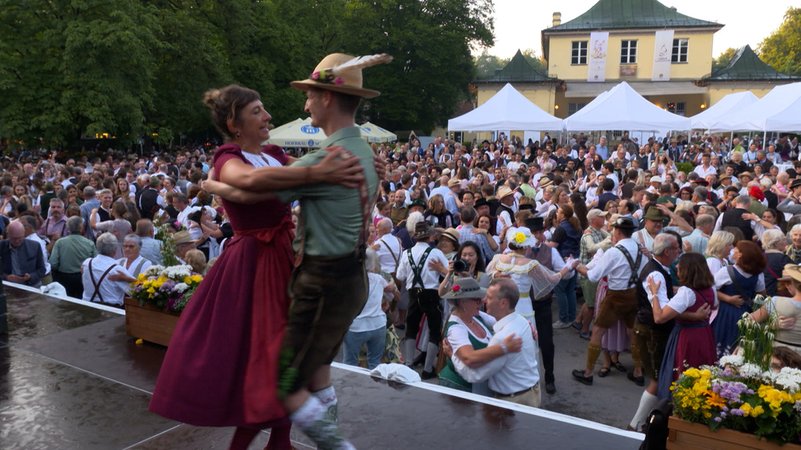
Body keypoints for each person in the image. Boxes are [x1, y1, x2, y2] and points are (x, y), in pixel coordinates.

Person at [150, 83, 364, 450]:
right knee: (267, 354)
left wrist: (223, 189)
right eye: (257, 112)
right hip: (253, 263)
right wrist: (228, 187)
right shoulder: (227, 156)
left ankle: (279, 439)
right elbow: (250, 180)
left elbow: (277, 184)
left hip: (282, 255)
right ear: (235, 123)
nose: (267, 117)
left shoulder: (274, 153)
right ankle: (264, 442)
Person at [275, 53, 386, 450]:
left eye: (309, 96)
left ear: (326, 98)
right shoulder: (362, 150)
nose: (305, 104)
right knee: (319, 370)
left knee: (284, 380)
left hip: (323, 285)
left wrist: (220, 177)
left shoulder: (328, 157)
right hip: (350, 281)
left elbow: (270, 192)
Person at [573, 217, 648, 386]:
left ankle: (587, 373)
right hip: (634, 294)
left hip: (615, 296)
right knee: (632, 333)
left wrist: (577, 266)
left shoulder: (614, 252)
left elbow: (593, 276)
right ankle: (637, 371)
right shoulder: (641, 249)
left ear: (618, 232)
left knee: (598, 331)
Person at [451, 278, 542, 407]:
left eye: (488, 297)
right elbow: (486, 318)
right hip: (531, 393)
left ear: (503, 303)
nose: (483, 301)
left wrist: (452, 354)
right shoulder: (521, 320)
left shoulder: (502, 338)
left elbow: (475, 376)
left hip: (514, 401)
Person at [648, 253, 717, 398]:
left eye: (681, 264)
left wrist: (654, 294)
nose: (677, 266)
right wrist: (695, 316)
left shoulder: (687, 293)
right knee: (700, 373)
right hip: (704, 334)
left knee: (681, 373)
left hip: (686, 337)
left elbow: (659, 317)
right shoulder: (711, 288)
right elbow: (714, 305)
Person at [437, 277, 522, 394]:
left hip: (479, 385)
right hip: (460, 388)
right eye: (476, 299)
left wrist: (526, 324)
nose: (482, 301)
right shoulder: (456, 329)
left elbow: (507, 319)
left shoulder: (477, 315)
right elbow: (469, 357)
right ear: (463, 302)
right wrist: (504, 347)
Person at [487, 226, 573, 327]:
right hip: (523, 304)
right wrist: (568, 266)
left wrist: (495, 274)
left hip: (503, 302)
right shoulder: (530, 264)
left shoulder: (500, 258)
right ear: (526, 247)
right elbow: (552, 279)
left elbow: (487, 273)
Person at [396, 221, 449, 378]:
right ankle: (427, 369)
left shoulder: (407, 253)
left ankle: (408, 363)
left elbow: (400, 276)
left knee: (411, 326)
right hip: (431, 294)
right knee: (434, 329)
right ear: (430, 236)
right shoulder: (436, 253)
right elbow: (448, 273)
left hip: (413, 293)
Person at [342, 249, 396, 370]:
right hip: (378, 325)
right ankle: (374, 387)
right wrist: (392, 283)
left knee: (349, 363)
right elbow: (390, 289)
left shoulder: (350, 279)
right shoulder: (378, 278)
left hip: (355, 327)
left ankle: (350, 387)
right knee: (375, 362)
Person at [712, 240, 767, 356]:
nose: (733, 250)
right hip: (747, 313)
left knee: (723, 340)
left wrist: (727, 299)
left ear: (740, 254)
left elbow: (712, 289)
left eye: (736, 249)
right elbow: (761, 295)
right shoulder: (758, 274)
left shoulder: (726, 271)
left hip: (726, 313)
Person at [81, 232, 133, 307]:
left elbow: (82, 271)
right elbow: (134, 290)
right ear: (115, 250)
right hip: (110, 310)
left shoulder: (86, 263)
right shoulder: (117, 269)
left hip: (87, 306)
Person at [50, 217, 96, 298]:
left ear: (68, 228)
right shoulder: (90, 243)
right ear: (81, 228)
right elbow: (95, 263)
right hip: (82, 278)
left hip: (64, 278)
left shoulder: (60, 242)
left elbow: (53, 263)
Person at [0, 220, 46, 288]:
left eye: (20, 238)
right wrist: (6, 277)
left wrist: (30, 276)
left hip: (30, 286)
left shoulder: (35, 246)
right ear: (8, 235)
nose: (17, 241)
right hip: (8, 285)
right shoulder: (1, 246)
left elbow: (42, 269)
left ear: (24, 234)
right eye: (14, 238)